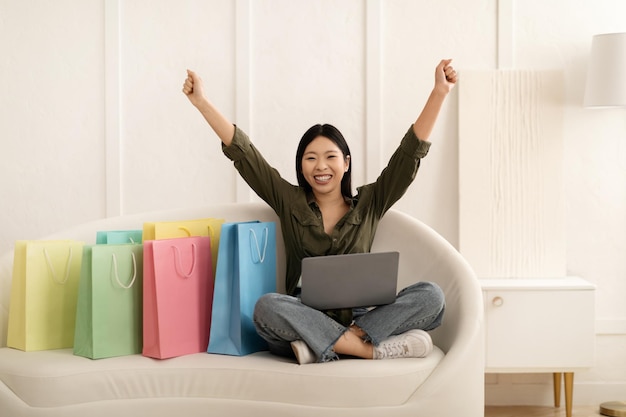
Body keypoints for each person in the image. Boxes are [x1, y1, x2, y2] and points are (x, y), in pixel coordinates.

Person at [182, 59, 458, 364]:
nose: (321, 166)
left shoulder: (371, 202)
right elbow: (245, 154)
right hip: (302, 315)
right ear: (301, 165)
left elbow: (409, 156)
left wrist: (439, 92)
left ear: (346, 163)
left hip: (361, 319)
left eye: (330, 156)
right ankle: (367, 350)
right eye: (310, 158)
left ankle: (326, 345)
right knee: (267, 307)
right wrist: (202, 103)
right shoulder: (289, 200)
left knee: (431, 296)